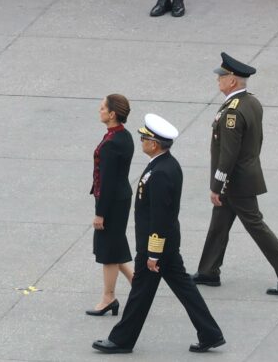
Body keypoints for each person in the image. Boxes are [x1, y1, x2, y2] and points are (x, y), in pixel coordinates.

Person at [93, 114, 225, 355]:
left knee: (141, 294)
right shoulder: (164, 164)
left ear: (154, 144)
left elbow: (160, 217)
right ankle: (210, 333)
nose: (141, 141)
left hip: (157, 246)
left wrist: (153, 252)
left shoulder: (162, 171)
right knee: (181, 289)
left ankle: (121, 340)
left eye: (144, 138)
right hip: (165, 245)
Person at [193, 53, 278, 295]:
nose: (218, 81)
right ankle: (208, 271)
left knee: (256, 225)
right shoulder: (251, 102)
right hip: (245, 176)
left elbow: (228, 154)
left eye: (221, 77)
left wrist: (217, 185)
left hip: (236, 182)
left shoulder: (232, 113)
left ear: (232, 81)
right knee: (219, 223)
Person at [88, 94, 135, 318]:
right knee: (114, 244)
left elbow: (106, 182)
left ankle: (109, 297)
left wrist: (100, 214)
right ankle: (137, 283)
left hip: (111, 202)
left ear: (112, 114)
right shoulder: (123, 136)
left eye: (102, 108)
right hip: (120, 198)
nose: (100, 111)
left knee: (108, 251)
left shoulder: (111, 144)